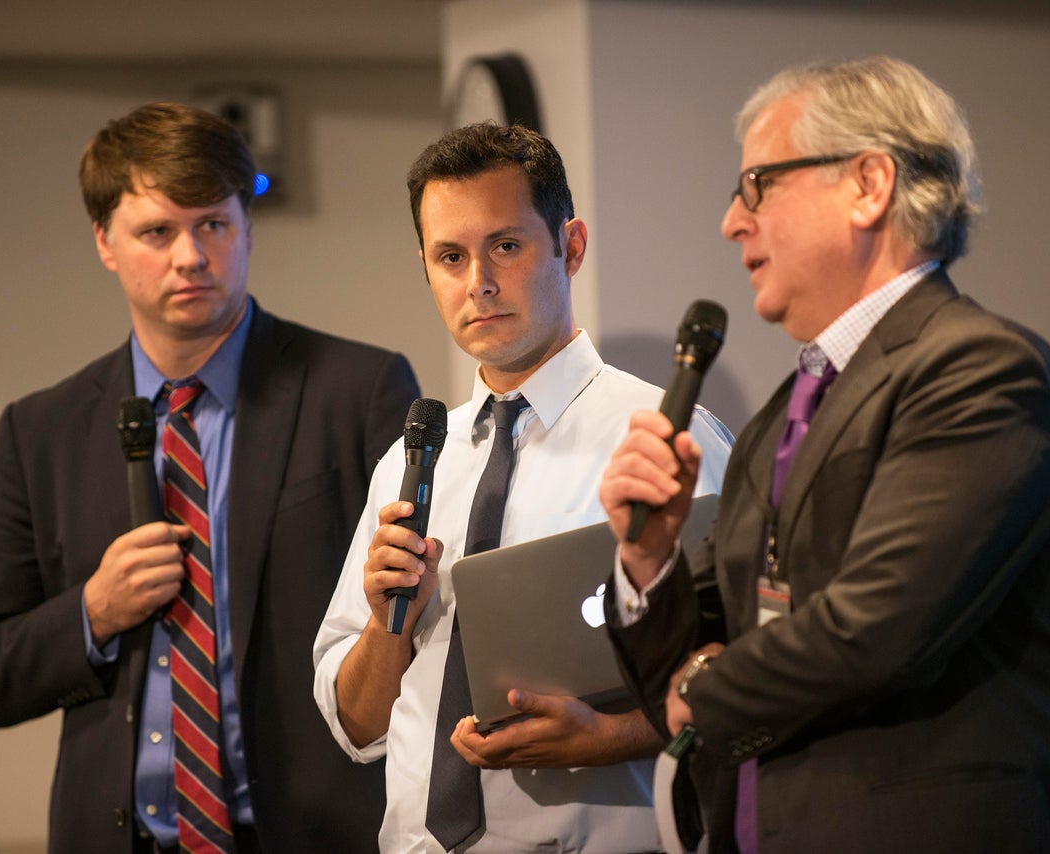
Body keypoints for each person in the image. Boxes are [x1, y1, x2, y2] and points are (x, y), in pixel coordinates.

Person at [600, 56, 1050, 853]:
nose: (733, 219)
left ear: (869, 185)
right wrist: (646, 561)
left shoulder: (982, 369)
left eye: (758, 183)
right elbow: (689, 650)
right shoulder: (784, 410)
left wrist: (706, 681)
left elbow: (875, 628)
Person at [0, 102, 420, 853]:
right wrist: (93, 611)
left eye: (213, 224)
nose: (191, 256)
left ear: (248, 229)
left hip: (318, 834)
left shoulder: (358, 389)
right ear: (105, 242)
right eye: (157, 232)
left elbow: (422, 619)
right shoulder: (39, 431)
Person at [312, 122, 734, 853]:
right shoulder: (411, 464)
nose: (477, 281)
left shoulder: (668, 439)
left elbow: (745, 680)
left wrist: (608, 737)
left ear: (571, 246)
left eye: (505, 246)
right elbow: (358, 728)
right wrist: (391, 627)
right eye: (450, 256)